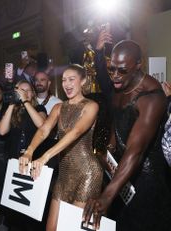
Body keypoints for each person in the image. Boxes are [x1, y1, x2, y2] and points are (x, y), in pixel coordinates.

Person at [83, 40, 171, 231]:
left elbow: (136, 151)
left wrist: (107, 195)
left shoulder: (152, 96)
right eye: (111, 69)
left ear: (139, 64)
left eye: (122, 70)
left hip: (147, 181)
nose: (115, 76)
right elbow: (118, 122)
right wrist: (109, 153)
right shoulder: (119, 86)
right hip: (122, 174)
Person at [19, 64, 102, 231]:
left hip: (87, 173)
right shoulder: (59, 107)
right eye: (64, 80)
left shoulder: (91, 106)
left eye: (72, 79)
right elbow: (43, 130)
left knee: (70, 228)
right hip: (64, 173)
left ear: (83, 81)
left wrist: (45, 156)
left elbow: (76, 131)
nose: (67, 84)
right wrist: (29, 151)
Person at [0, 80, 47, 231]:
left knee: (33, 208)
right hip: (15, 163)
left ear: (32, 93)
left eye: (26, 90)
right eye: (19, 90)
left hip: (34, 162)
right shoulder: (10, 109)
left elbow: (42, 125)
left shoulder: (39, 108)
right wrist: (12, 104)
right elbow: (2, 131)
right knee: (16, 209)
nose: (23, 92)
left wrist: (25, 101)